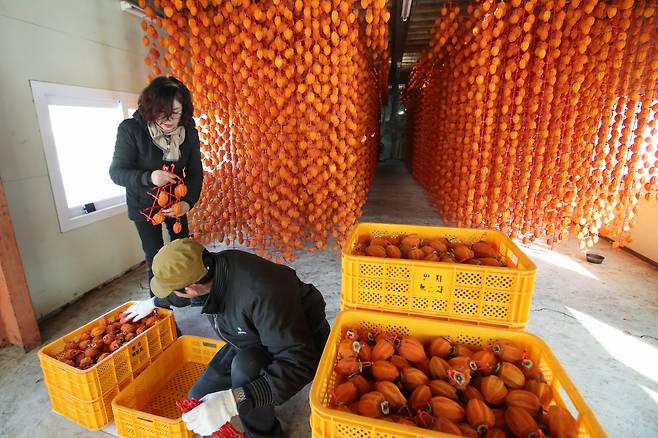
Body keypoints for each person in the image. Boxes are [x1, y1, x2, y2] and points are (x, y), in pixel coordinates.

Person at [123, 238, 330, 438]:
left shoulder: (262, 291)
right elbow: (181, 294)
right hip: (250, 335)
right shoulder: (210, 267)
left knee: (245, 367)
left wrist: (231, 402)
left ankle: (264, 434)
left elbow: (299, 363)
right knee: (197, 398)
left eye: (173, 290)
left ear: (191, 288)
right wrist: (154, 302)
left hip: (298, 341)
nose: (175, 295)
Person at [109, 76, 203, 297]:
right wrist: (149, 177)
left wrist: (188, 202)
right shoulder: (131, 130)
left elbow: (196, 171)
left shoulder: (188, 131)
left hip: (176, 202)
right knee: (156, 258)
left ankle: (194, 297)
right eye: (162, 112)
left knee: (183, 252)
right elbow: (117, 173)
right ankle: (161, 309)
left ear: (184, 110)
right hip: (144, 206)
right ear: (151, 107)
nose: (169, 119)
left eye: (176, 112)